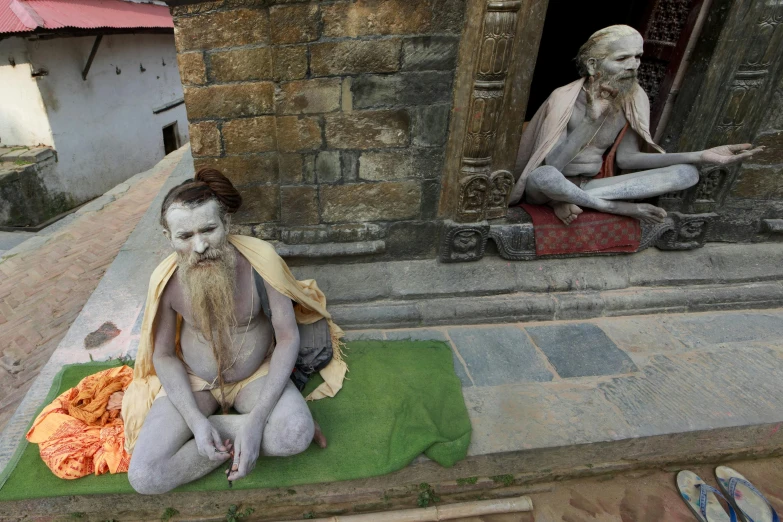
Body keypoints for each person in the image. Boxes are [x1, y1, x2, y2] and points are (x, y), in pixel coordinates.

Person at [123, 168, 344, 494]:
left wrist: (256, 423)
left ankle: (236, 430)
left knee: (295, 434)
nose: (199, 246)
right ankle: (214, 430)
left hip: (255, 378)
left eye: (209, 229)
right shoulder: (166, 281)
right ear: (168, 237)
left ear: (227, 223)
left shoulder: (260, 262)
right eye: (185, 237)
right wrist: (196, 423)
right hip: (195, 384)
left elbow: (287, 336)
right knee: (144, 477)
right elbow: (164, 354)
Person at [510, 25, 763, 225]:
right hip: (549, 187)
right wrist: (590, 120)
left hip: (592, 186)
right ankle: (612, 208)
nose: (633, 65)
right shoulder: (562, 98)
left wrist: (702, 156)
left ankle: (574, 202)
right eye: (622, 58)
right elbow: (551, 166)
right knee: (544, 177)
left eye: (638, 57)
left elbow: (628, 159)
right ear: (592, 65)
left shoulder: (634, 97)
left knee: (687, 173)